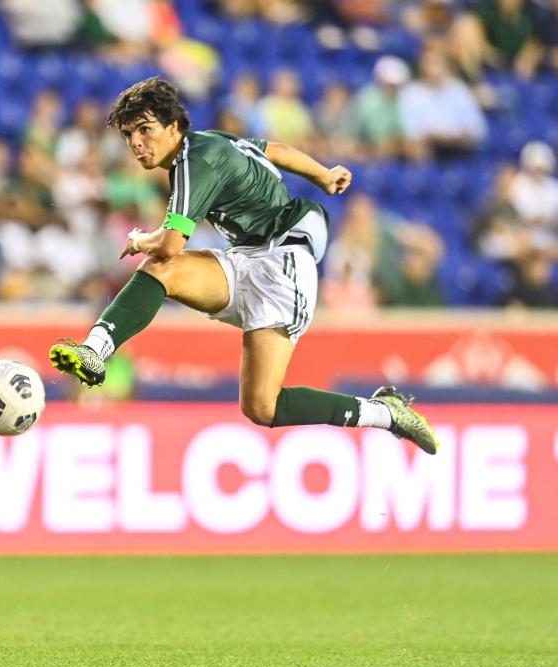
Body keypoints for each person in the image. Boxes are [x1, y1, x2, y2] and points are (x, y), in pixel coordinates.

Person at [48, 77, 437, 455]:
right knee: (160, 272)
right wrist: (323, 174)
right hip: (245, 257)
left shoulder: (195, 161)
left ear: (173, 126)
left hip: (283, 265)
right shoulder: (213, 142)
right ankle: (94, 352)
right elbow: (275, 150)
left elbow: (168, 244)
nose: (136, 143)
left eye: (144, 130)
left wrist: (139, 239)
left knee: (263, 406)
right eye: (128, 135)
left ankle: (384, 413)